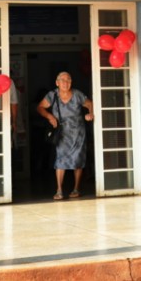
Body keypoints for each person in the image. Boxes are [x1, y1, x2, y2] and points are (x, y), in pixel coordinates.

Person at [37, 72, 94, 200]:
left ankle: (76, 189)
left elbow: (90, 104)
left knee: (78, 159)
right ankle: (59, 190)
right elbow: (40, 107)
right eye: (62, 80)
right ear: (57, 83)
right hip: (62, 132)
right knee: (60, 159)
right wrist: (50, 116)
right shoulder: (52, 95)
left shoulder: (77, 94)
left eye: (68, 80)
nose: (65, 82)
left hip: (78, 132)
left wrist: (90, 114)